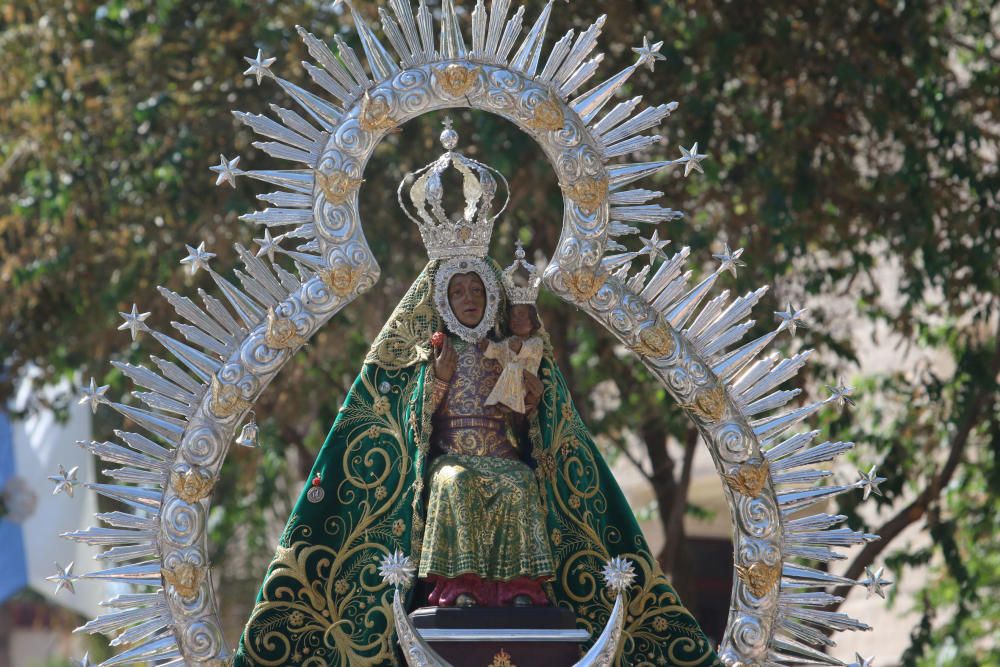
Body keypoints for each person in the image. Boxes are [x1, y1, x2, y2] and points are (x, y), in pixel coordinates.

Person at [232, 126, 718, 666]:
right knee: (455, 481)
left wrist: (529, 391)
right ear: (442, 298)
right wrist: (437, 377)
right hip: (454, 456)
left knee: (519, 482)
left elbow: (536, 419)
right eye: (458, 292)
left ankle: (520, 590)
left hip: (502, 453)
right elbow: (412, 420)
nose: (467, 300)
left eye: (476, 291)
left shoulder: (507, 349)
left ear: (491, 296)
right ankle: (456, 588)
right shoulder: (433, 352)